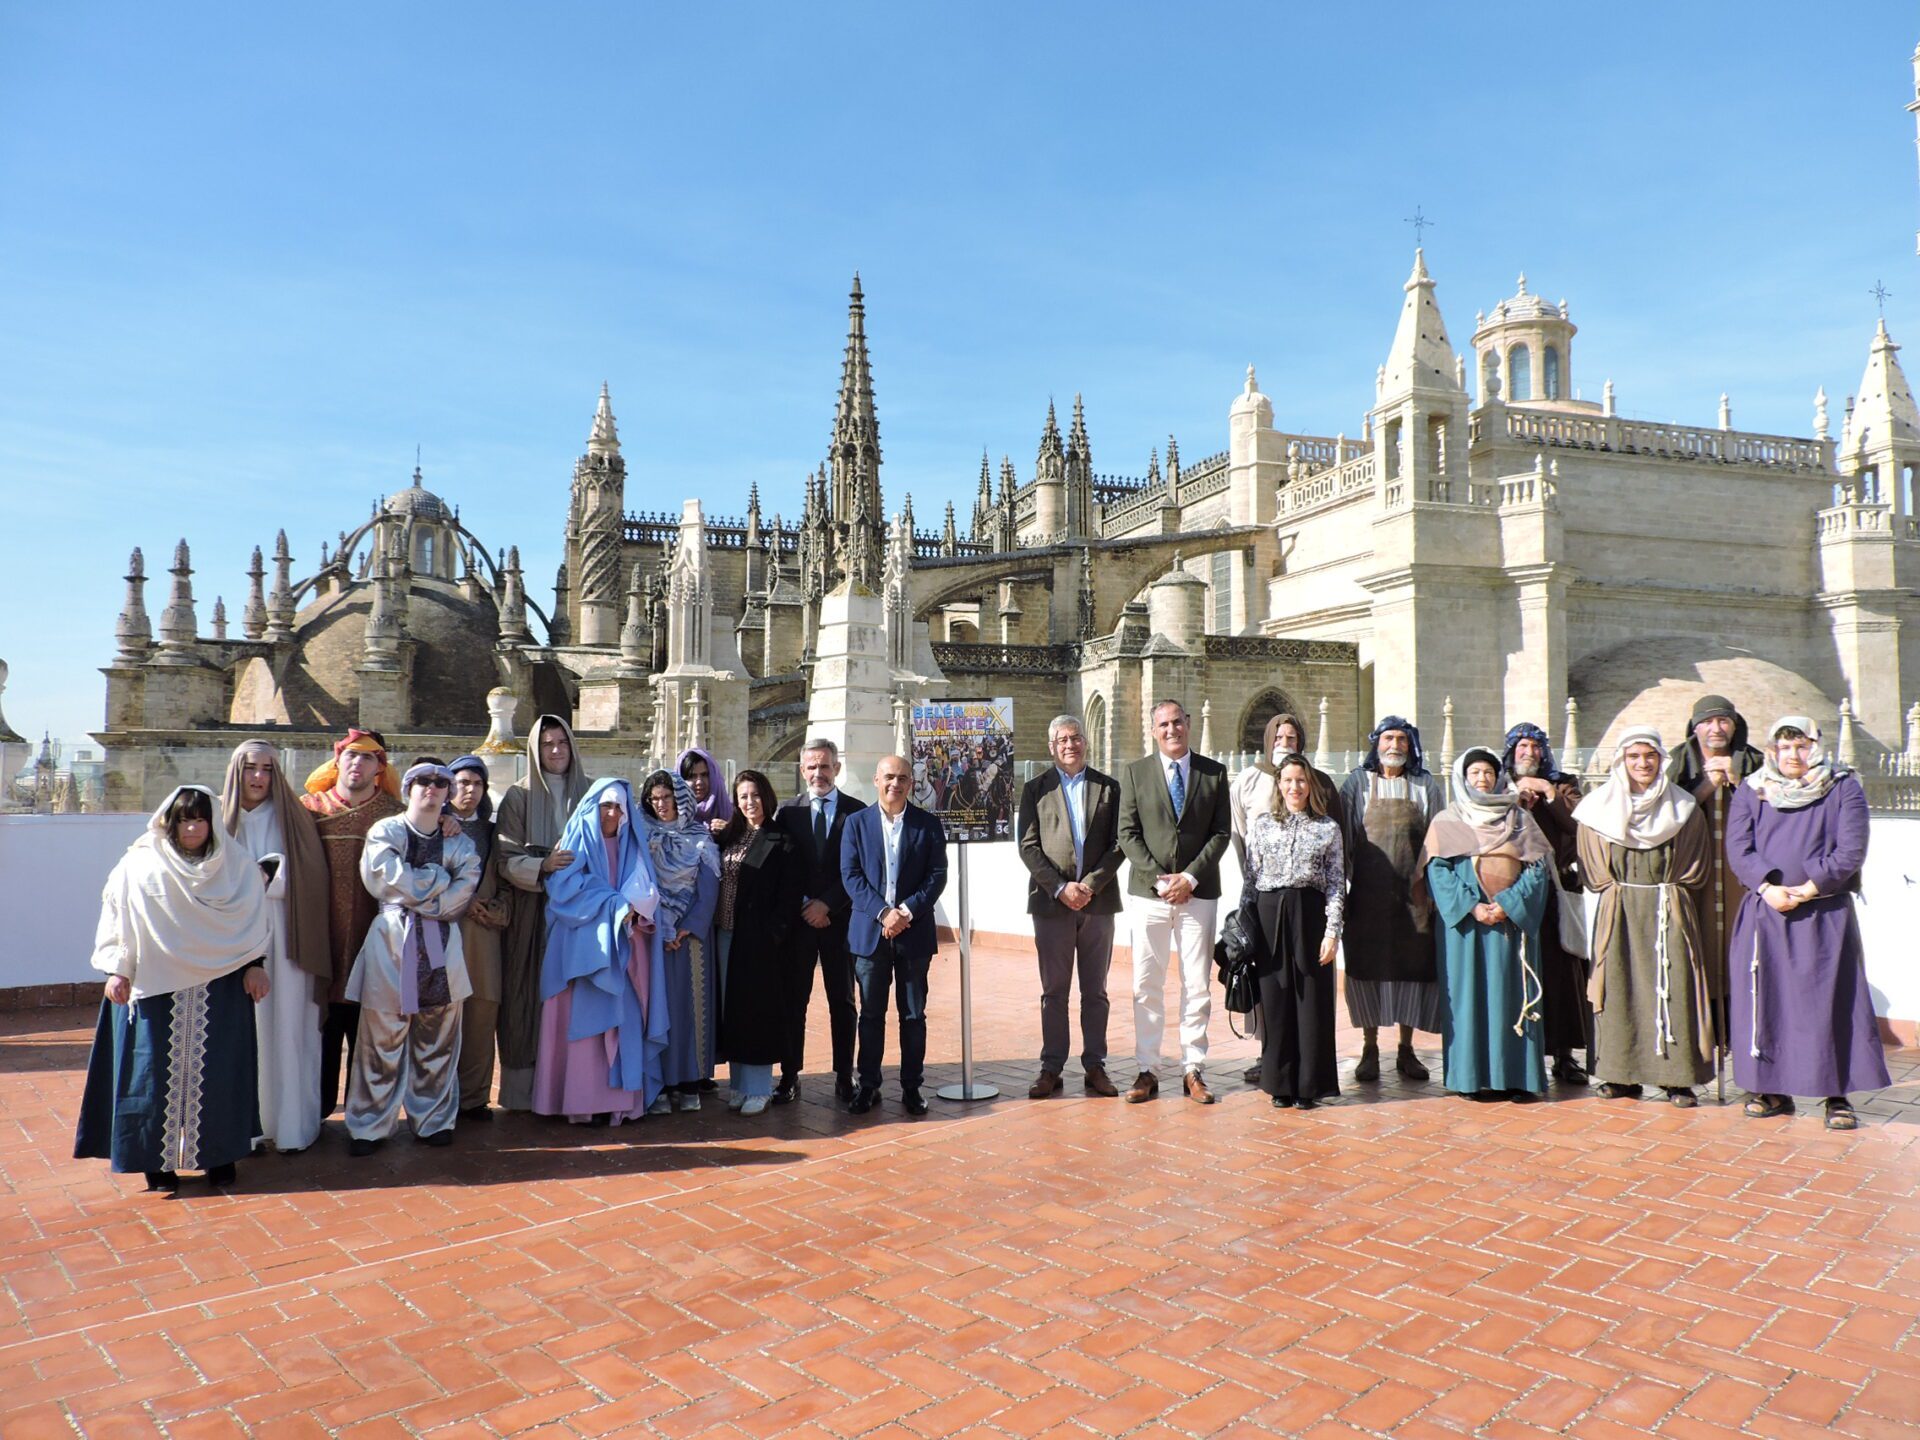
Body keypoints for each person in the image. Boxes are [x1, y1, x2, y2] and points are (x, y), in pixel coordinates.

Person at [75, 786, 272, 1192]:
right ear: (171, 821)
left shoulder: (235, 865)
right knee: (150, 1074)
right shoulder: (139, 863)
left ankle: (218, 1155)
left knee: (219, 1070)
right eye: (185, 819)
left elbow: (254, 918)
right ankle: (154, 1162)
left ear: (213, 822)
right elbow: (117, 915)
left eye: (201, 818)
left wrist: (256, 964)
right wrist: (117, 969)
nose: (193, 827)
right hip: (154, 982)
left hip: (221, 981)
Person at [1727, 718, 1888, 1130]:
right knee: (1768, 1000)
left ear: (1814, 746)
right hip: (1768, 912)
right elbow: (1738, 847)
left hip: (1823, 914)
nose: (1793, 756)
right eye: (1784, 748)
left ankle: (1837, 1095)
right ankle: (1770, 1089)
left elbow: (1851, 848)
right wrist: (1767, 888)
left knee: (1829, 1003)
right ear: (1772, 751)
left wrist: (1811, 887)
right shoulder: (1753, 789)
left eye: (1801, 746)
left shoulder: (1841, 787)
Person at [344, 764, 482, 1154]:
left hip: (440, 944)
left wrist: (420, 886)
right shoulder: (386, 831)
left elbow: (462, 892)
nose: (433, 788)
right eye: (424, 781)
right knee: (379, 1039)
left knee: (438, 1038)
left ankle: (434, 1119)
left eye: (442, 783)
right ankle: (369, 1125)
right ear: (408, 787)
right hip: (391, 942)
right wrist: (439, 878)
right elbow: (385, 880)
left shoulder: (460, 843)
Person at [1575, 729, 1715, 1105]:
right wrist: (1614, 887)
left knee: (1674, 986)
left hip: (1668, 905)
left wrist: (1669, 892)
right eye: (1634, 756)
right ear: (1622, 760)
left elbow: (1696, 864)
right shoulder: (1597, 809)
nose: (1642, 763)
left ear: (1661, 760)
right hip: (1618, 908)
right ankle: (1620, 1075)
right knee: (1618, 986)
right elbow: (1591, 865)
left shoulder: (1682, 807)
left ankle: (1677, 1078)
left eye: (1650, 755)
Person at [1421, 748, 1556, 1101]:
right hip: (1466, 929)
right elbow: (1438, 870)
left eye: (1488, 772)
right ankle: (1472, 1077)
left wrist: (1509, 905)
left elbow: (1538, 870)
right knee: (1468, 999)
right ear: (1463, 778)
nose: (1482, 779)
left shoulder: (1520, 819)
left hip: (1510, 926)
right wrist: (1472, 907)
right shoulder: (1447, 820)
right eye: (1475, 772)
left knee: (1513, 996)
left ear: (1499, 776)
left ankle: (1519, 1078)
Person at [533, 778, 670, 1123]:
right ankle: (579, 1104)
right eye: (605, 806)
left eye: (618, 807)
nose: (611, 813)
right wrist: (614, 905)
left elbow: (647, 893)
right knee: (580, 1030)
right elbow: (564, 892)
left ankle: (615, 1103)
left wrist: (635, 909)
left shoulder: (634, 850)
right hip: (580, 954)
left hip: (622, 954)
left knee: (621, 1024)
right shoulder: (573, 843)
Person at [1116, 699, 1232, 1105]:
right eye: (1163, 724)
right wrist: (1161, 879)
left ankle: (1192, 1068)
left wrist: (1189, 877)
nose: (1171, 730)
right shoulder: (1135, 774)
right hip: (1149, 894)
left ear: (1188, 724)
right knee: (1146, 983)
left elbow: (1221, 833)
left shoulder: (1213, 773)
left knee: (1197, 983)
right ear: (1153, 730)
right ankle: (1148, 1068)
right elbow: (1127, 833)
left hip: (1199, 893)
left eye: (1177, 722)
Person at [220, 741, 330, 1154]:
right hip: (231, 940)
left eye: (268, 769)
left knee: (287, 1025)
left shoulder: (292, 817)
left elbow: (312, 876)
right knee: (242, 1031)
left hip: (285, 937)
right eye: (251, 768)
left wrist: (270, 879)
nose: (259, 777)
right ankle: (242, 1129)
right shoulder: (215, 817)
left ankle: (290, 1126)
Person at [1230, 710, 1348, 1084]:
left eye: (1301, 780)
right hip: (1269, 914)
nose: (1294, 787)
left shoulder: (1327, 828)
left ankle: (1311, 1081)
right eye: (1288, 781)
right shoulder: (1263, 826)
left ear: (1310, 784)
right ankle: (1278, 1080)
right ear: (1279, 786)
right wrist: (1244, 925)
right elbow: (1251, 879)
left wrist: (1333, 932)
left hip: (1310, 914)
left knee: (1311, 999)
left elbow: (1335, 882)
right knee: (1276, 999)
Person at [1016, 714, 1124, 1099]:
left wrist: (1090, 885)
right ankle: (1051, 1067)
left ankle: (1095, 1066)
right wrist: (1061, 888)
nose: (1069, 745)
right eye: (1062, 739)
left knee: (1095, 991)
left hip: (1098, 903)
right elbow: (1028, 847)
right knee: (1054, 991)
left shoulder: (1109, 788)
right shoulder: (1035, 789)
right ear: (1051, 747)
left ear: (1085, 742)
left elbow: (1119, 843)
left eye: (1075, 737)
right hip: (1051, 904)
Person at [301, 728, 404, 1118]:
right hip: (320, 942)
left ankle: (367, 1119)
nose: (358, 764)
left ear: (380, 767)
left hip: (374, 943)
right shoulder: (309, 809)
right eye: (352, 756)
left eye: (369, 758)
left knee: (370, 1037)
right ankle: (316, 1112)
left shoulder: (394, 814)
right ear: (337, 761)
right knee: (319, 1036)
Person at [1339, 717, 1447, 1083]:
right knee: (1367, 971)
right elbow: (1343, 838)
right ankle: (1369, 1048)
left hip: (1414, 898)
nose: (1395, 745)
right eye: (1388, 738)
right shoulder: (1357, 784)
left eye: (1402, 739)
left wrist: (1427, 889)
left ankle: (1406, 1049)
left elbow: (1438, 837)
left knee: (1412, 971)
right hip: (1368, 897)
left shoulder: (1425, 784)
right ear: (1376, 743)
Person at [841, 754, 949, 1116]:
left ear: (911, 783)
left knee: (913, 1015)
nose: (896, 783)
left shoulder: (928, 825)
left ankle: (912, 1087)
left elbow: (937, 875)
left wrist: (905, 912)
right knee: (871, 1014)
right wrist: (883, 912)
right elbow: (851, 876)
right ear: (876, 780)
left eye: (903, 777)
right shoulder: (856, 824)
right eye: (889, 777)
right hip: (870, 934)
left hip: (913, 934)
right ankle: (868, 1085)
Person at [494, 715, 589, 1110]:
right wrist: (543, 867)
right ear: (535, 750)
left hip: (581, 913)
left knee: (577, 996)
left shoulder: (588, 793)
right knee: (526, 996)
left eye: (562, 743)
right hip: (532, 910)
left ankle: (576, 1086)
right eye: (547, 744)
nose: (555, 751)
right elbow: (505, 856)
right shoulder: (518, 797)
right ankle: (526, 1093)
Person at [772, 738, 868, 1103]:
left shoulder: (857, 812)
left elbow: (860, 869)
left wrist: (827, 904)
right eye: (811, 767)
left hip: (839, 924)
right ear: (802, 771)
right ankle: (790, 1076)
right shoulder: (787, 813)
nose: (818, 773)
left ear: (837, 768)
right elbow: (779, 868)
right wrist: (803, 905)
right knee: (793, 1002)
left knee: (842, 1002)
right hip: (798, 926)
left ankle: (845, 1076)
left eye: (825, 766)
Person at [1668, 695, 1765, 1055]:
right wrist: (1707, 786)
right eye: (1708, 722)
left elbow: (1772, 807)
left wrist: (1738, 780)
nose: (1716, 729)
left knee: (1740, 951)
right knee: (1701, 948)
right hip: (1697, 872)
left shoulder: (1754, 761)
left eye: (1724, 721)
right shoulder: (1679, 762)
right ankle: (1703, 1032)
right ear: (1695, 727)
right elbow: (1666, 812)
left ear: (1734, 726)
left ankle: (1740, 1029)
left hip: (1740, 876)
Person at [1501, 722, 1594, 1084]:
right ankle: (1523, 1053)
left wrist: (1548, 792)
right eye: (1522, 746)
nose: (1529, 752)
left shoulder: (1564, 784)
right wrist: (1515, 800)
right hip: (1514, 888)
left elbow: (1579, 824)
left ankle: (1565, 1054)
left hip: (1556, 890)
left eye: (1535, 746)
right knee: (1520, 970)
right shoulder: (1501, 782)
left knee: (1560, 974)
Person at [715, 770, 802, 1115]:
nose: (750, 802)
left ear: (766, 796)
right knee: (731, 1009)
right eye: (743, 797)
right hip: (725, 934)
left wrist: (773, 934)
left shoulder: (781, 839)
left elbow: (790, 894)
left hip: (759, 941)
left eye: (755, 795)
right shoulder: (730, 836)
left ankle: (758, 1088)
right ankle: (737, 1085)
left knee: (756, 1011)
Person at [636, 769, 720, 1113]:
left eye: (667, 797)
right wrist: (660, 924)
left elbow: (709, 887)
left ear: (681, 799)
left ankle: (688, 1081)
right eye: (654, 799)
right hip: (653, 936)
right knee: (655, 1009)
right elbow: (638, 883)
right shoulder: (642, 837)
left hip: (690, 939)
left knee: (690, 1011)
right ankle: (658, 1085)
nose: (661, 805)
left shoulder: (699, 836)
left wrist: (686, 926)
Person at [447, 755, 511, 1118]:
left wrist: (497, 909)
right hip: (446, 931)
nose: (468, 790)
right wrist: (462, 900)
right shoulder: (433, 828)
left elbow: (505, 882)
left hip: (484, 936)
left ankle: (473, 1098)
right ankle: (439, 1096)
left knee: (481, 1015)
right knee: (443, 1016)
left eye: (476, 783)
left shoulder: (492, 833)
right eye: (461, 782)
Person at [679, 745, 734, 837]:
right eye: (692, 776)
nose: (699, 782)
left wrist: (729, 834)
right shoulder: (671, 817)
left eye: (705, 775)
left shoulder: (733, 815)